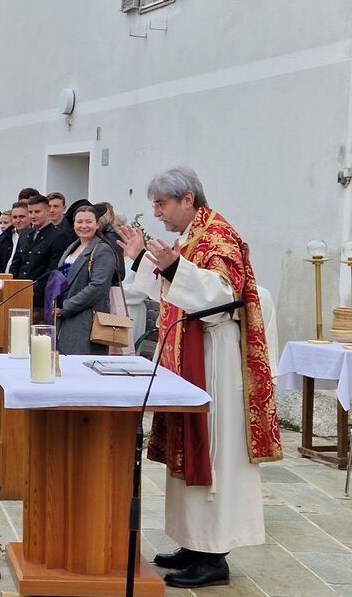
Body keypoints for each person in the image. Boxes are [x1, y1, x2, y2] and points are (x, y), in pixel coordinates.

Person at [116, 167, 282, 590]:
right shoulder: (192, 236)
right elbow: (170, 290)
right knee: (190, 446)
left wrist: (174, 268)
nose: (157, 213)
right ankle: (195, 543)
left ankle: (214, 555)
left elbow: (223, 295)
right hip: (190, 356)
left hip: (214, 358)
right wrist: (140, 258)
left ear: (187, 198)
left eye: (161, 204)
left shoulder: (219, 235)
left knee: (214, 451)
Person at [52, 205, 117, 355]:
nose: (84, 226)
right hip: (63, 319)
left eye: (89, 222)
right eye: (79, 222)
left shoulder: (102, 249)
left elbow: (98, 287)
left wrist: (67, 307)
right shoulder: (72, 247)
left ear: (97, 225)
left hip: (86, 319)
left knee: (80, 363)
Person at [9, 195, 70, 320]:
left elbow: (53, 270)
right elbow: (16, 264)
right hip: (18, 295)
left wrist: (34, 290)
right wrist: (12, 285)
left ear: (47, 211)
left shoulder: (58, 236)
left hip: (40, 300)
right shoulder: (25, 234)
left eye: (37, 212)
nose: (33, 216)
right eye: (30, 212)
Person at [0, 202, 31, 274]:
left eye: (22, 217)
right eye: (15, 217)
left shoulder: (35, 237)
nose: (18, 220)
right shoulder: (3, 238)